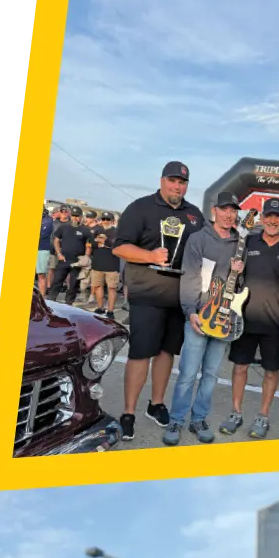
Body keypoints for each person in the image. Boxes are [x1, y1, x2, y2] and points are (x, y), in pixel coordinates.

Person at [112, 162, 205, 441]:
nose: (177, 186)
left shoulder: (194, 214)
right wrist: (150, 256)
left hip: (179, 298)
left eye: (182, 182)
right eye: (173, 181)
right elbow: (120, 246)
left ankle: (156, 403)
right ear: (162, 180)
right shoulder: (140, 207)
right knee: (141, 353)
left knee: (166, 353)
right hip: (147, 294)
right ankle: (128, 412)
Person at [163, 194, 246, 445]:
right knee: (188, 373)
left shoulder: (240, 242)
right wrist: (191, 311)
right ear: (214, 211)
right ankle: (176, 419)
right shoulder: (198, 239)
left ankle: (199, 419)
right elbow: (189, 277)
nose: (229, 214)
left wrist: (239, 274)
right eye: (224, 209)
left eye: (233, 210)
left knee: (210, 374)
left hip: (224, 318)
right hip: (199, 316)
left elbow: (239, 286)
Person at [219, 198, 279, 440]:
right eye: (268, 215)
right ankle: (235, 411)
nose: (272, 220)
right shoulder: (247, 241)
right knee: (239, 366)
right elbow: (233, 274)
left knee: (271, 370)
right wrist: (234, 268)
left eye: (277, 217)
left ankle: (263, 414)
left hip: (276, 321)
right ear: (261, 217)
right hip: (245, 316)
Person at [49, 207, 91, 306]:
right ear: (70, 216)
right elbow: (56, 241)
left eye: (77, 216)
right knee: (57, 282)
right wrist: (59, 254)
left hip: (77, 262)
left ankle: (68, 304)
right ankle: (50, 302)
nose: (75, 218)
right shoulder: (63, 227)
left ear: (81, 217)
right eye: (73, 216)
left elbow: (88, 245)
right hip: (63, 260)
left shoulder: (85, 230)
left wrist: (86, 257)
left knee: (73, 286)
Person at [37, 207, 55, 296]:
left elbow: (43, 234)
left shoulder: (48, 220)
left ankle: (41, 298)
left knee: (41, 274)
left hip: (42, 249)